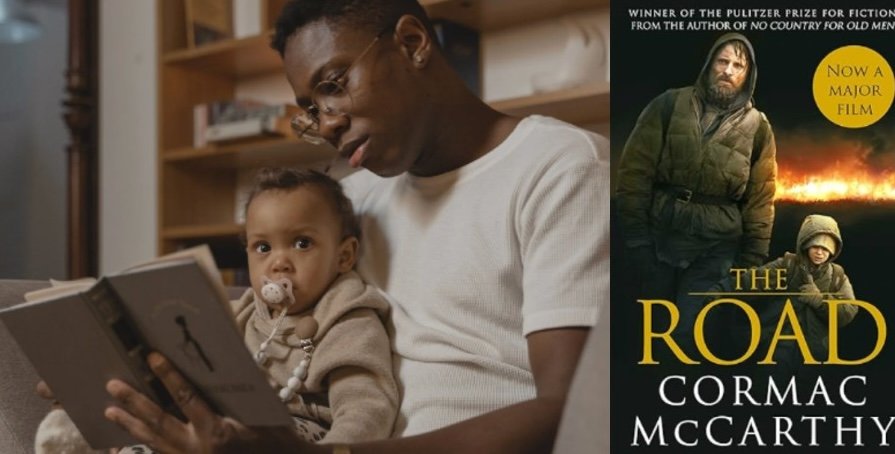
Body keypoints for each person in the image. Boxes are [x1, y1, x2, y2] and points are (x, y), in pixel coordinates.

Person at [102, 0, 609, 453]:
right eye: (310, 110)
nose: (326, 125)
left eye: (333, 85)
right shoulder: (355, 201)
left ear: (412, 43)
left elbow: (570, 408)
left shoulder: (559, 167)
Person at [34, 168, 398, 452]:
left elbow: (366, 408)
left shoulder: (348, 318)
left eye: (302, 243)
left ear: (344, 256)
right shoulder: (244, 312)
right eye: (262, 247)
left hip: (300, 439)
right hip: (225, 429)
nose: (279, 263)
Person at [615, 33, 777, 355]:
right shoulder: (669, 104)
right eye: (723, 61)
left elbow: (760, 200)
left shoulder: (758, 127)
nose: (728, 70)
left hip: (715, 249)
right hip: (659, 237)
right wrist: (637, 240)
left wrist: (750, 262)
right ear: (709, 64)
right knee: (647, 334)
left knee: (689, 337)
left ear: (749, 74)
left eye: (738, 65)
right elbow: (635, 174)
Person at [751, 214, 858, 375]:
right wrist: (718, 292)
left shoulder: (837, 277)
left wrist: (820, 301)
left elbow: (848, 312)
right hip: (778, 347)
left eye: (826, 249)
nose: (820, 253)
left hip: (815, 353)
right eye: (815, 247)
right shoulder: (786, 266)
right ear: (805, 245)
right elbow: (749, 281)